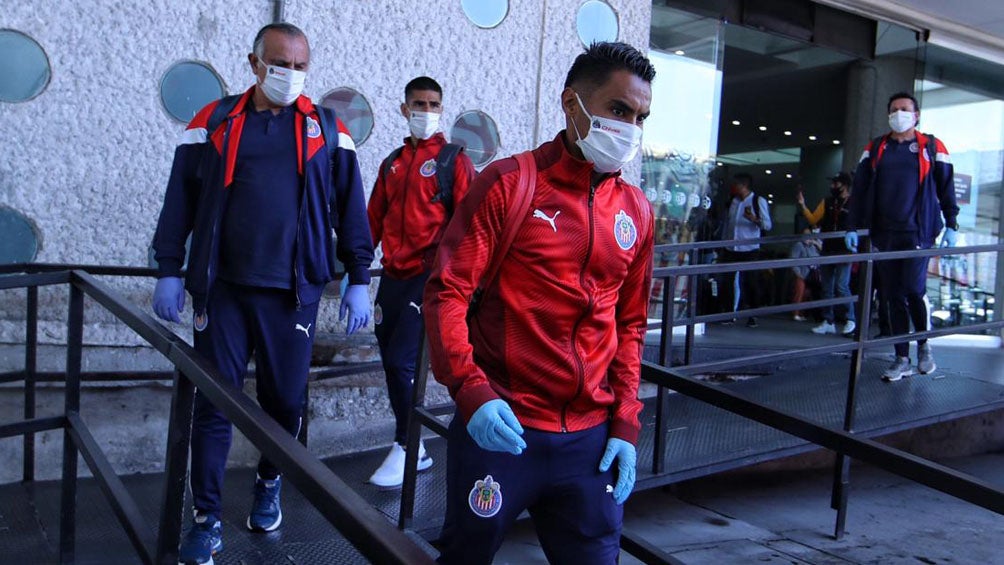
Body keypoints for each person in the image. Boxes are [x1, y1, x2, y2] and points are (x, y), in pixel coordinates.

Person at [151, 23, 374, 565]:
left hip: (292, 294)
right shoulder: (216, 121)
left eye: (301, 66)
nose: (291, 75)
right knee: (213, 404)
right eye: (281, 63)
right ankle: (205, 520)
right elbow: (181, 197)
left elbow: (350, 207)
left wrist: (360, 276)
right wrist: (169, 267)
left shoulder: (327, 129)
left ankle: (269, 482)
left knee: (285, 403)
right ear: (253, 64)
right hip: (223, 291)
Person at [423, 42, 655, 565]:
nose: (631, 128)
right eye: (619, 110)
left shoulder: (637, 212)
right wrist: (470, 390)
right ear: (571, 103)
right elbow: (447, 291)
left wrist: (625, 422)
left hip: (590, 444)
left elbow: (631, 325)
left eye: (640, 116)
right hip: (503, 430)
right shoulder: (509, 183)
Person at [366, 76, 475, 488]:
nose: (425, 112)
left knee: (401, 360)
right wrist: (356, 272)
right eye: (418, 104)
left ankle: (407, 443)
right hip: (392, 277)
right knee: (389, 359)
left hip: (427, 279)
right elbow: (372, 219)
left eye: (433, 105)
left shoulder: (453, 160)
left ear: (441, 110)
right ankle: (414, 444)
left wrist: (457, 278)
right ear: (404, 108)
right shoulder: (393, 161)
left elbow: (470, 223)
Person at [845, 91, 959, 382]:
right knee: (892, 295)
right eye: (894, 109)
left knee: (912, 288)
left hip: (918, 232)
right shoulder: (876, 148)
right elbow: (859, 189)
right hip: (884, 234)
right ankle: (901, 358)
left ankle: (923, 345)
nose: (899, 114)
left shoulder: (931, 147)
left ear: (916, 115)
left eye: (904, 109)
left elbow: (946, 187)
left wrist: (952, 223)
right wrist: (852, 225)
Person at [798, 172, 856, 335]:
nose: (832, 186)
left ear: (844, 185)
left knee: (841, 285)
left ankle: (850, 319)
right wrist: (803, 205)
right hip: (828, 247)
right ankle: (828, 320)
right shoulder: (828, 201)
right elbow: (813, 219)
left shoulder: (853, 202)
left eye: (836, 183)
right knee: (827, 286)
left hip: (845, 249)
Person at [719, 173, 772, 327]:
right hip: (731, 248)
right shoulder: (732, 202)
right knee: (726, 282)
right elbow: (728, 224)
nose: (734, 188)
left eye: (736, 185)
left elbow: (768, 225)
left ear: (744, 186)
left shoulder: (757, 201)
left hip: (750, 248)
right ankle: (729, 314)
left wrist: (753, 219)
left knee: (750, 282)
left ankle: (752, 314)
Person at [789, 227, 821, 321]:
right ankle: (796, 313)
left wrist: (816, 243)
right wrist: (798, 274)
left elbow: (819, 255)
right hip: (802, 273)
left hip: (811, 274)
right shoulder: (799, 245)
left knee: (806, 294)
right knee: (799, 292)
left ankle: (802, 313)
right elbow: (793, 260)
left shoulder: (812, 246)